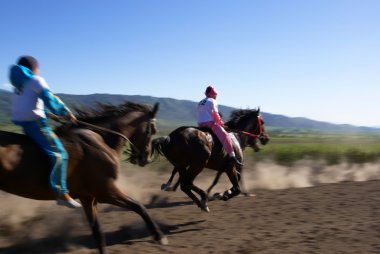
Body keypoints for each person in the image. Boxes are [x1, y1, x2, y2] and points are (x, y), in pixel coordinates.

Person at [9, 55, 82, 208]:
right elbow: (51, 99)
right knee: (60, 154)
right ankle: (61, 193)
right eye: (38, 68)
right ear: (33, 68)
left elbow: (27, 106)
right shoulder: (36, 80)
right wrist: (65, 112)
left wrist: (50, 115)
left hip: (25, 125)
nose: (39, 71)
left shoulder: (17, 85)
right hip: (37, 125)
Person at [197, 85, 243, 166]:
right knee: (226, 135)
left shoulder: (200, 102)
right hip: (210, 123)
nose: (216, 96)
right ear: (212, 94)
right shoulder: (212, 101)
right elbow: (215, 115)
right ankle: (232, 157)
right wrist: (222, 124)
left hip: (200, 124)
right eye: (215, 94)